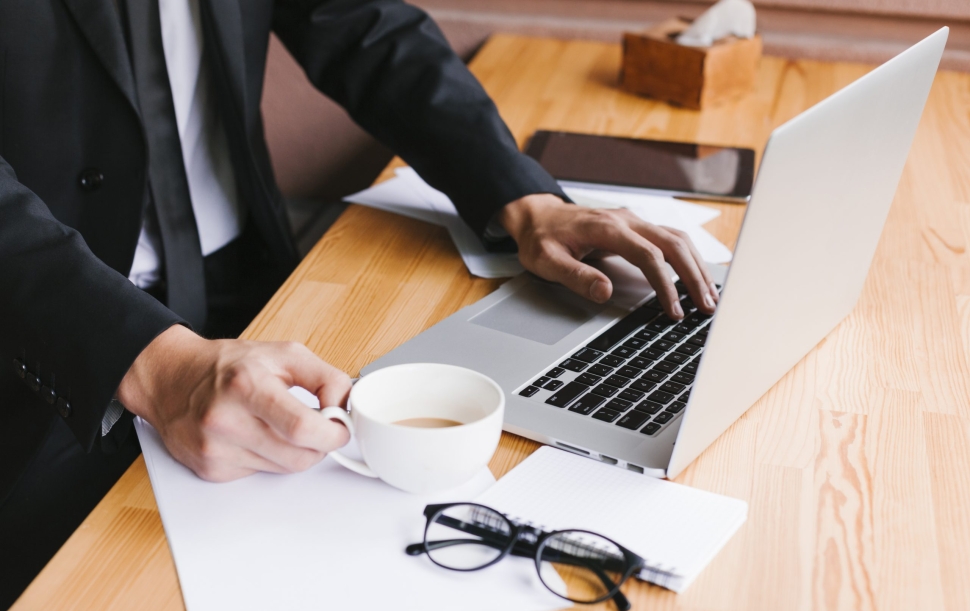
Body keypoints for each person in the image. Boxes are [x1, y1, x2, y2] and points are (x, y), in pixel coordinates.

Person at [0, 0, 719, 604]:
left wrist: (520, 195)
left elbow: (360, 21)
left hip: (260, 286)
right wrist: (146, 358)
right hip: (43, 340)